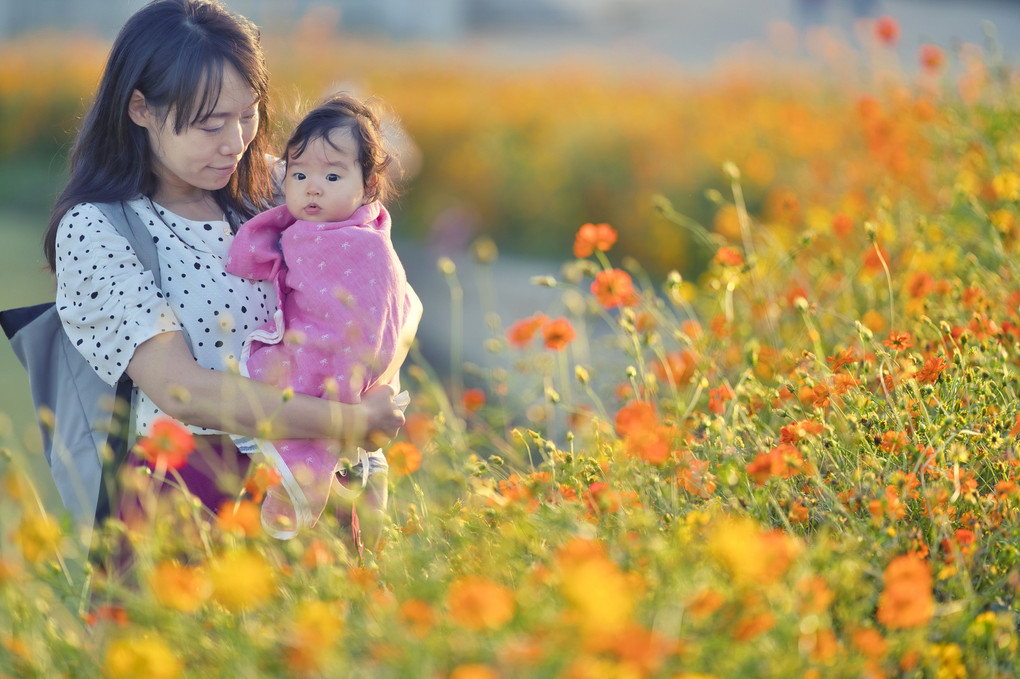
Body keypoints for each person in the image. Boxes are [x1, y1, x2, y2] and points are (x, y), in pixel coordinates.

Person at [44, 0, 406, 530]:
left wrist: (366, 400)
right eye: (210, 125)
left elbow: (393, 292)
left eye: (247, 114)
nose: (236, 142)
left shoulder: (279, 185)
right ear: (141, 109)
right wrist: (347, 421)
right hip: (193, 493)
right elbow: (181, 389)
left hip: (313, 479)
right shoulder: (100, 228)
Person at [225, 93, 422, 543]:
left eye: (333, 176)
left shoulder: (365, 243)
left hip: (345, 378)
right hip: (315, 378)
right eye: (299, 175)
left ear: (368, 185)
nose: (312, 187)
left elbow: (379, 316)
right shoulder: (296, 224)